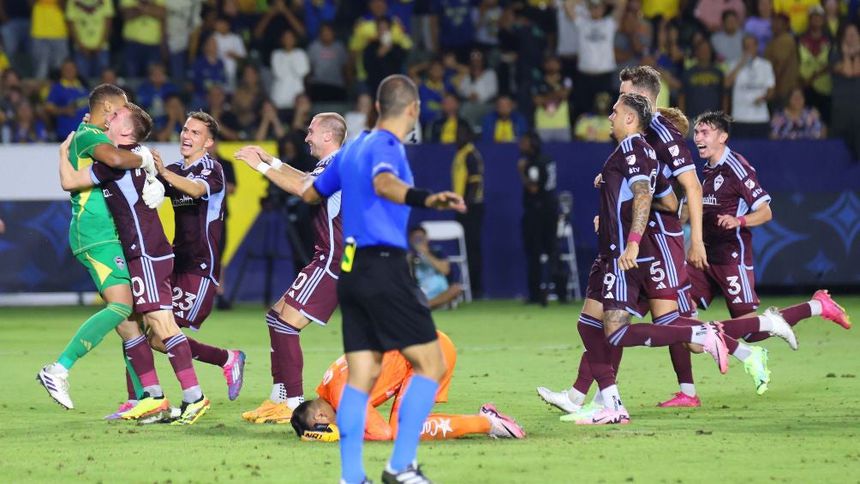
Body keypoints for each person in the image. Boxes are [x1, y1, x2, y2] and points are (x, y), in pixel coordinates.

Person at [289, 74, 466, 484]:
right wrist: (426, 198)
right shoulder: (387, 145)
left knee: (362, 376)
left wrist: (272, 166)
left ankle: (352, 476)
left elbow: (311, 193)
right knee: (431, 362)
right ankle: (400, 467)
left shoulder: (350, 150)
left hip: (349, 271)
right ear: (413, 109)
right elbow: (385, 183)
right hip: (384, 265)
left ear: (377, 107)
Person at [55, 104, 215, 425]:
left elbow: (70, 181)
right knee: (129, 323)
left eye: (116, 117)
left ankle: (194, 397)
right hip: (140, 252)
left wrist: (63, 153)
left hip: (147, 252)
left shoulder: (116, 162)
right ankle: (153, 397)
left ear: (127, 131)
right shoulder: (129, 155)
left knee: (162, 324)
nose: (109, 118)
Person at [36, 84, 155, 412]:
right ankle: (58, 369)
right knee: (121, 307)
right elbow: (115, 158)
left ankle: (146, 398)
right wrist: (144, 158)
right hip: (95, 235)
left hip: (107, 234)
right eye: (122, 107)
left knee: (130, 322)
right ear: (108, 108)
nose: (125, 112)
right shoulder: (89, 135)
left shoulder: (91, 132)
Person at [234, 113, 348, 424]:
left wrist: (260, 167)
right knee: (276, 317)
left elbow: (301, 188)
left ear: (328, 136)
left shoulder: (337, 164)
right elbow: (305, 179)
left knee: (286, 324)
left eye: (311, 132)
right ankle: (279, 397)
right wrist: (271, 160)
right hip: (324, 257)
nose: (306, 137)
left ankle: (294, 403)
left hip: (333, 260)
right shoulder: (330, 165)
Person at [149, 112, 246, 404]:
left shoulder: (212, 168)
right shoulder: (176, 169)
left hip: (201, 265)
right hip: (176, 261)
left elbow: (194, 188)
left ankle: (205, 381)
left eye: (195, 132)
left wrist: (163, 173)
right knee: (154, 336)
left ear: (209, 142)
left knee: (164, 334)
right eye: (185, 130)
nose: (187, 136)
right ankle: (226, 359)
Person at [290, 331, 523, 441]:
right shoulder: (328, 385)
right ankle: (485, 419)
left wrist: (340, 435)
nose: (330, 428)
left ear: (320, 416)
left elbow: (382, 434)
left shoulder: (342, 395)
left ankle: (489, 422)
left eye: (324, 428)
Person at [517, 131, 565, 305]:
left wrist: (521, 172)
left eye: (524, 141)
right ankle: (562, 293)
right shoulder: (548, 159)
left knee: (535, 253)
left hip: (538, 213)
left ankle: (535, 294)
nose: (521, 145)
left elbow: (533, 188)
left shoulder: (533, 163)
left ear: (532, 144)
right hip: (551, 209)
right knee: (553, 251)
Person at [451, 122, 484, 297]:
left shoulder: (471, 154)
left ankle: (476, 288)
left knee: (472, 247)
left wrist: (466, 205)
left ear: (469, 136)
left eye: (462, 134)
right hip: (462, 206)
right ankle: (469, 286)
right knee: (465, 247)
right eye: (457, 133)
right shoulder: (460, 154)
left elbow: (475, 182)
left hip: (471, 207)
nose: (458, 137)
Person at [724, 35, 775, 138]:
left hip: (760, 118)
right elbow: (727, 84)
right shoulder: (734, 64)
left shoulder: (766, 65)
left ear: (756, 47)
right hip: (740, 118)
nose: (749, 49)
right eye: (746, 46)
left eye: (751, 46)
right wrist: (741, 64)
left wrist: (763, 98)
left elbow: (771, 90)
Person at [408, 227, 464, 309]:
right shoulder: (408, 256)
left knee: (456, 288)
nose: (419, 241)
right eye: (416, 239)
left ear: (427, 238)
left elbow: (445, 270)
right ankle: (431, 305)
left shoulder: (437, 252)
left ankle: (426, 306)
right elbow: (407, 278)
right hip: (420, 292)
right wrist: (410, 261)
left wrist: (426, 254)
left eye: (421, 238)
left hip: (441, 292)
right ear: (411, 240)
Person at [65, 0, 113, 81]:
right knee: (82, 81)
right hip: (80, 49)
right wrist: (81, 46)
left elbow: (108, 21)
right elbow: (70, 22)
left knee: (103, 82)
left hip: (102, 48)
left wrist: (100, 45)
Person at [120, 0, 166, 78]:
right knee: (131, 78)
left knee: (153, 78)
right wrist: (151, 8)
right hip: (132, 43)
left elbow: (162, 13)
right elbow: (127, 15)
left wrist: (138, 7)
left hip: (153, 44)